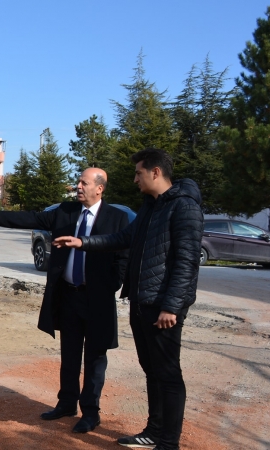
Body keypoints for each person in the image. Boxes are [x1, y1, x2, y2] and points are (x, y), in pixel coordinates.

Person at [54, 148, 203, 450]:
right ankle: (154, 431)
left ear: (155, 172)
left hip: (163, 307)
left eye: (138, 173)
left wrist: (171, 306)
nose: (135, 179)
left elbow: (187, 262)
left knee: (168, 375)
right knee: (152, 371)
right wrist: (83, 242)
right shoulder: (151, 206)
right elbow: (122, 239)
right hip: (142, 302)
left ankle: (168, 443)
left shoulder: (184, 207)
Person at [0, 167, 129, 434]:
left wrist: (110, 285)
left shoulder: (117, 218)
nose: (78, 186)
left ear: (99, 188)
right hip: (68, 296)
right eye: (78, 181)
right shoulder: (66, 211)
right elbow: (33, 217)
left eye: (84, 183)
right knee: (69, 354)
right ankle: (66, 404)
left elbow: (123, 257)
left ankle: (90, 413)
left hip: (97, 300)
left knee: (95, 358)